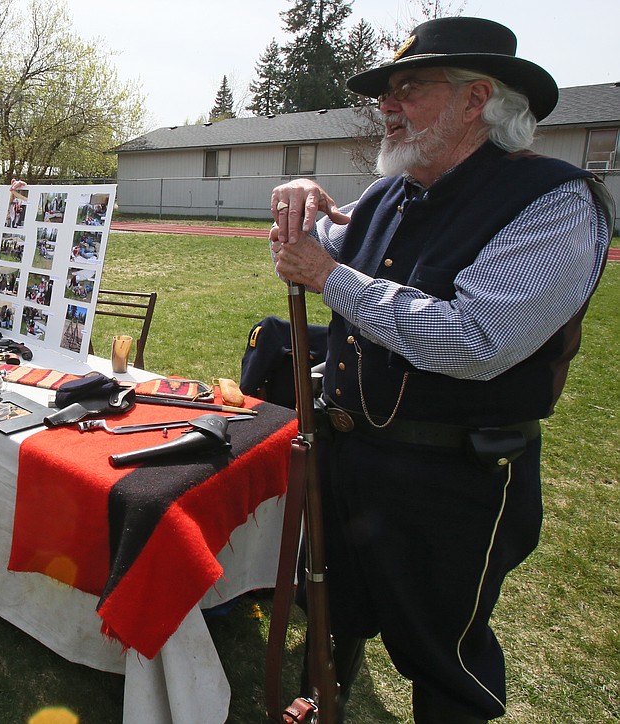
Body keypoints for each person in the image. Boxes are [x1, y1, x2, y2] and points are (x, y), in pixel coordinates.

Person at [268, 18, 612, 723]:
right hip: (350, 458)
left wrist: (329, 275)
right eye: (388, 92)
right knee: (333, 607)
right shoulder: (394, 192)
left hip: (452, 482)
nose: (387, 106)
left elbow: (477, 339)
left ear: (476, 98)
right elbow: (305, 246)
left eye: (409, 89)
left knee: (442, 652)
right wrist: (296, 194)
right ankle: (321, 698)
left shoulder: (553, 203)